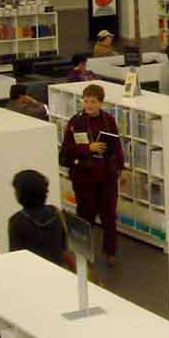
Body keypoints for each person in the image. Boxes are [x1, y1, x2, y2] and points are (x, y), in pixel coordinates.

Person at [59, 84, 124, 266]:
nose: (88, 105)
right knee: (85, 216)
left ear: (101, 103)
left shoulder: (109, 120)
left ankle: (110, 252)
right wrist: (88, 148)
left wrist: (121, 168)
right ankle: (83, 252)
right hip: (84, 176)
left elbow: (116, 146)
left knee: (109, 216)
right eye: (86, 101)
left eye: (93, 102)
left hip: (107, 175)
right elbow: (67, 149)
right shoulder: (75, 122)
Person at [7, 169, 74, 268]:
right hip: (58, 270)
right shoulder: (56, 212)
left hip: (32, 273)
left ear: (21, 194)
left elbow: (16, 257)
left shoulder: (16, 221)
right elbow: (64, 248)